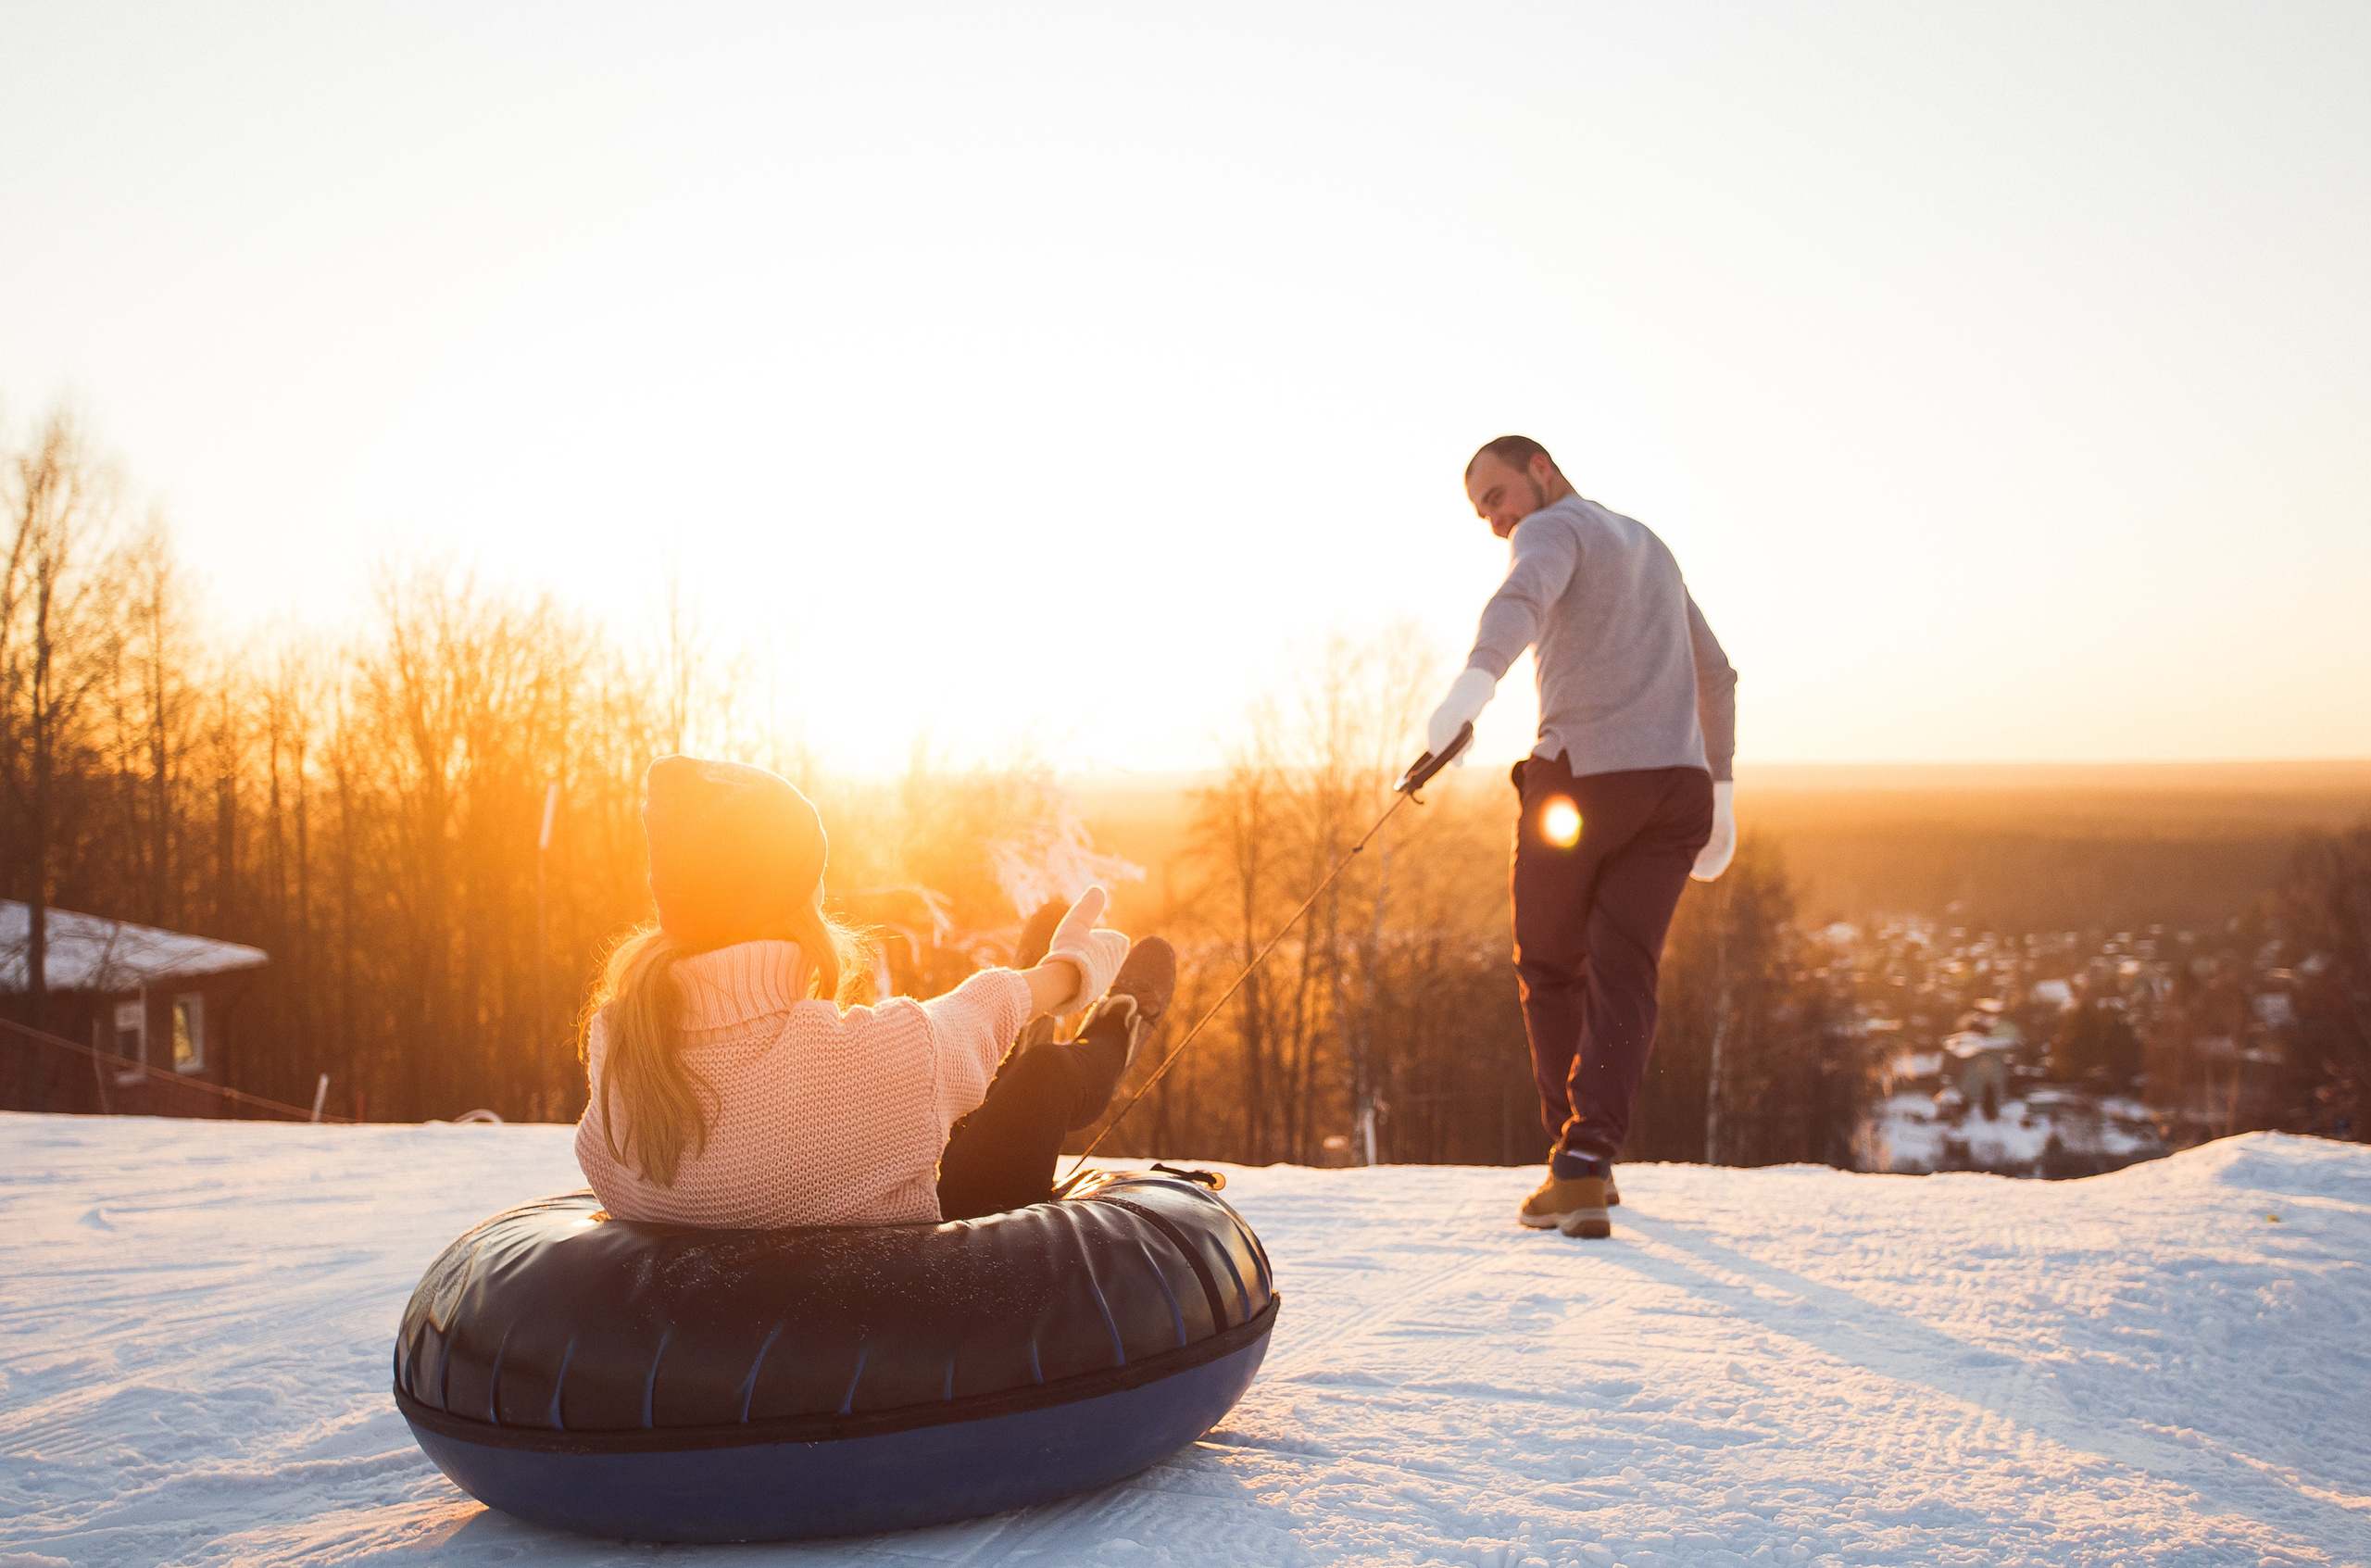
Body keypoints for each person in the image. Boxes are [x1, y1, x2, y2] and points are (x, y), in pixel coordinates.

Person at [573, 754, 1174, 1228]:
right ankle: (1115, 1028)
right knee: (1047, 1077)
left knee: (971, 1080)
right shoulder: (865, 1063)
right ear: (792, 901)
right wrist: (1068, 971)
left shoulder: (619, 1054)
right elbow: (972, 1013)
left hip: (733, 1345)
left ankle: (1005, 1063)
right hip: (920, 1317)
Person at [1424, 435, 1737, 1238]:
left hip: (1585, 783)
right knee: (1625, 972)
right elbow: (1717, 673)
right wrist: (1723, 788)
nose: (1497, 521)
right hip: (1677, 792)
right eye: (1483, 511)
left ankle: (1574, 1163)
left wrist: (1474, 682)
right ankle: (1586, 1158)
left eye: (1497, 495)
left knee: (1552, 964)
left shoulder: (1552, 530)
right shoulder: (1650, 546)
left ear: (1542, 469)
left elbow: (1519, 601)